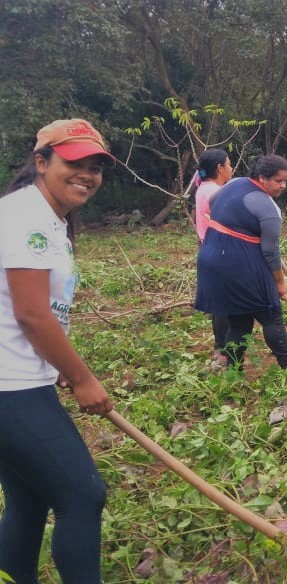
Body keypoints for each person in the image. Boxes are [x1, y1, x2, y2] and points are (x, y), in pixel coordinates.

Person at [0, 118, 115, 583]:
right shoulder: (24, 215)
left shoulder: (47, 217)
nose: (86, 174)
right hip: (10, 387)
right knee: (82, 496)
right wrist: (83, 377)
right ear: (41, 162)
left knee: (29, 499)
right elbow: (31, 313)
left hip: (22, 378)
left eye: (95, 166)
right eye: (74, 162)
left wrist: (59, 364)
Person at [194, 154, 287, 371]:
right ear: (262, 177)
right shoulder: (269, 210)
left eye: (285, 180)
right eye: (278, 180)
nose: (283, 185)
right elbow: (270, 251)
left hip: (211, 256)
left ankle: (234, 372)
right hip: (238, 264)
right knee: (270, 315)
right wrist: (279, 283)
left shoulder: (235, 183)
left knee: (239, 319)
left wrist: (233, 224)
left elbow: (212, 202)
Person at [193, 148, 234, 369]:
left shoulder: (203, 189)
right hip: (222, 251)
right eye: (228, 164)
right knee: (225, 304)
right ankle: (224, 353)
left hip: (209, 249)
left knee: (220, 303)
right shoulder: (216, 193)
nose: (231, 168)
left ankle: (221, 351)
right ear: (219, 168)